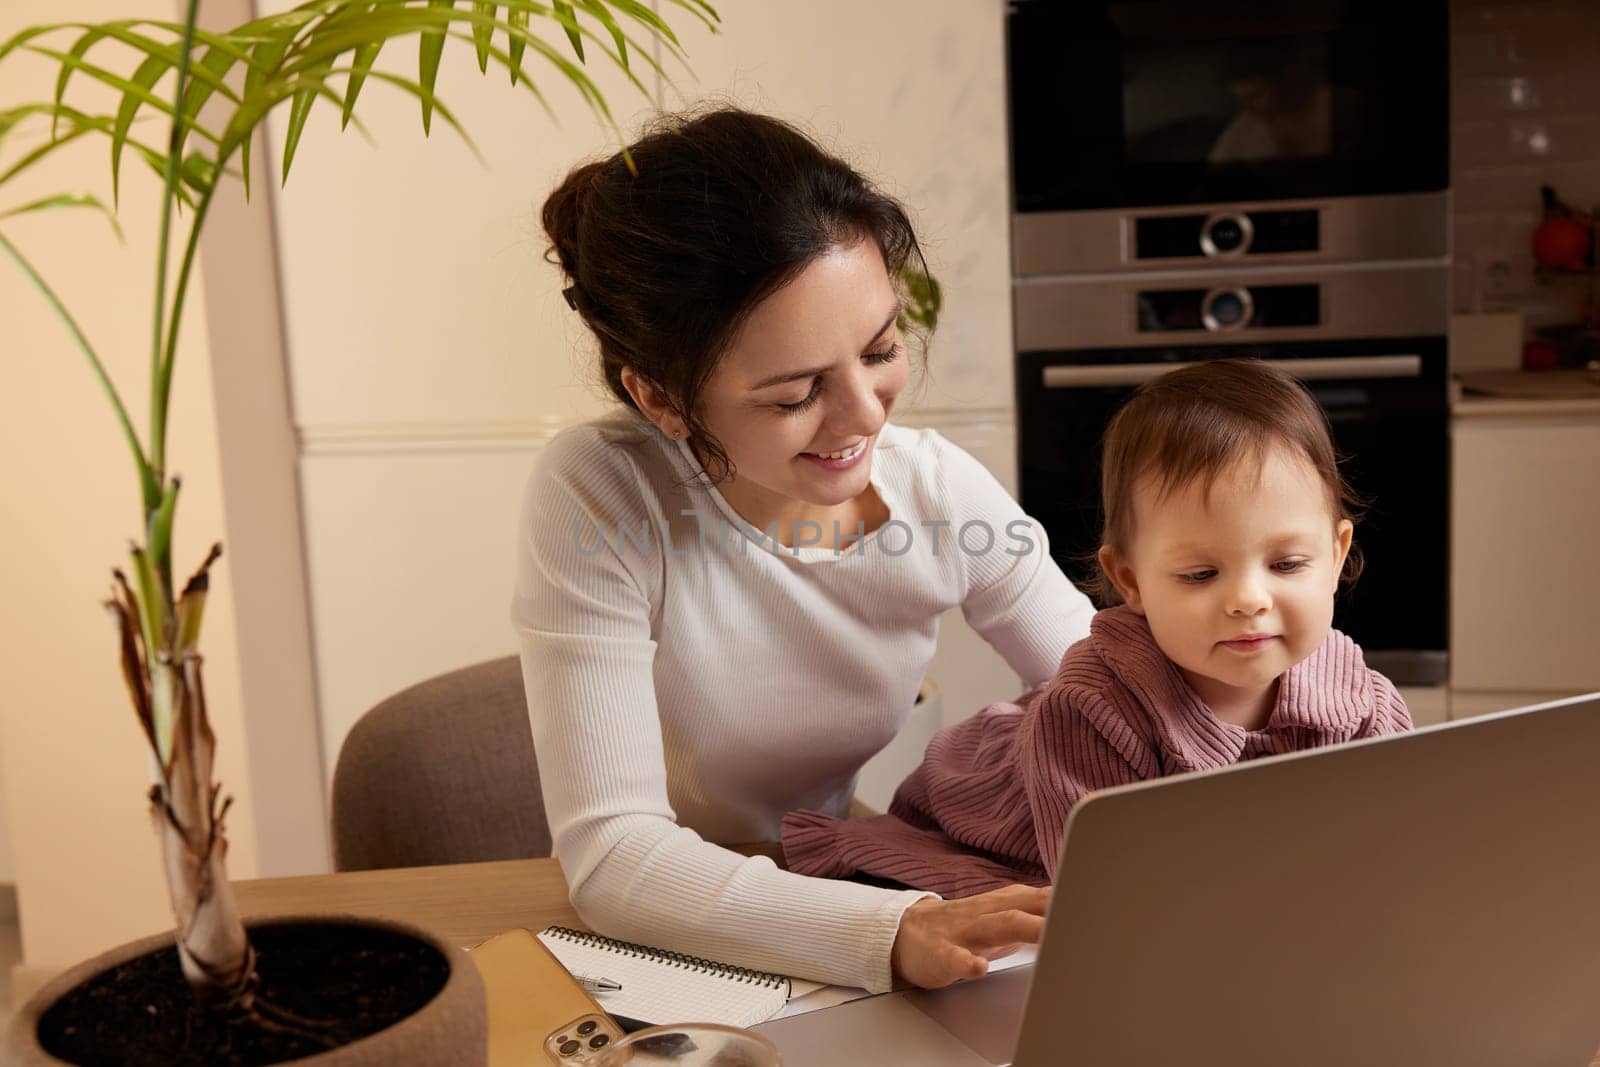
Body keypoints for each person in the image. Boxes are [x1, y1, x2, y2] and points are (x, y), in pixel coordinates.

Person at [513, 106, 1096, 994]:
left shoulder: (936, 492)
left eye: (881, 349)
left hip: (831, 872)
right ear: (661, 397)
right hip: (661, 933)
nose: (867, 414)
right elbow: (613, 855)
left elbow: (1114, 692)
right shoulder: (604, 490)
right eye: (796, 394)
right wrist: (891, 930)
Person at [781, 358, 1414, 896]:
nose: (1249, 600)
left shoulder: (1364, 706)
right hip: (981, 828)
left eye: (1287, 564)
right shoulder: (1087, 711)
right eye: (1200, 575)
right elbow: (1108, 898)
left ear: (1335, 556)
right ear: (1133, 582)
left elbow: (1397, 857)